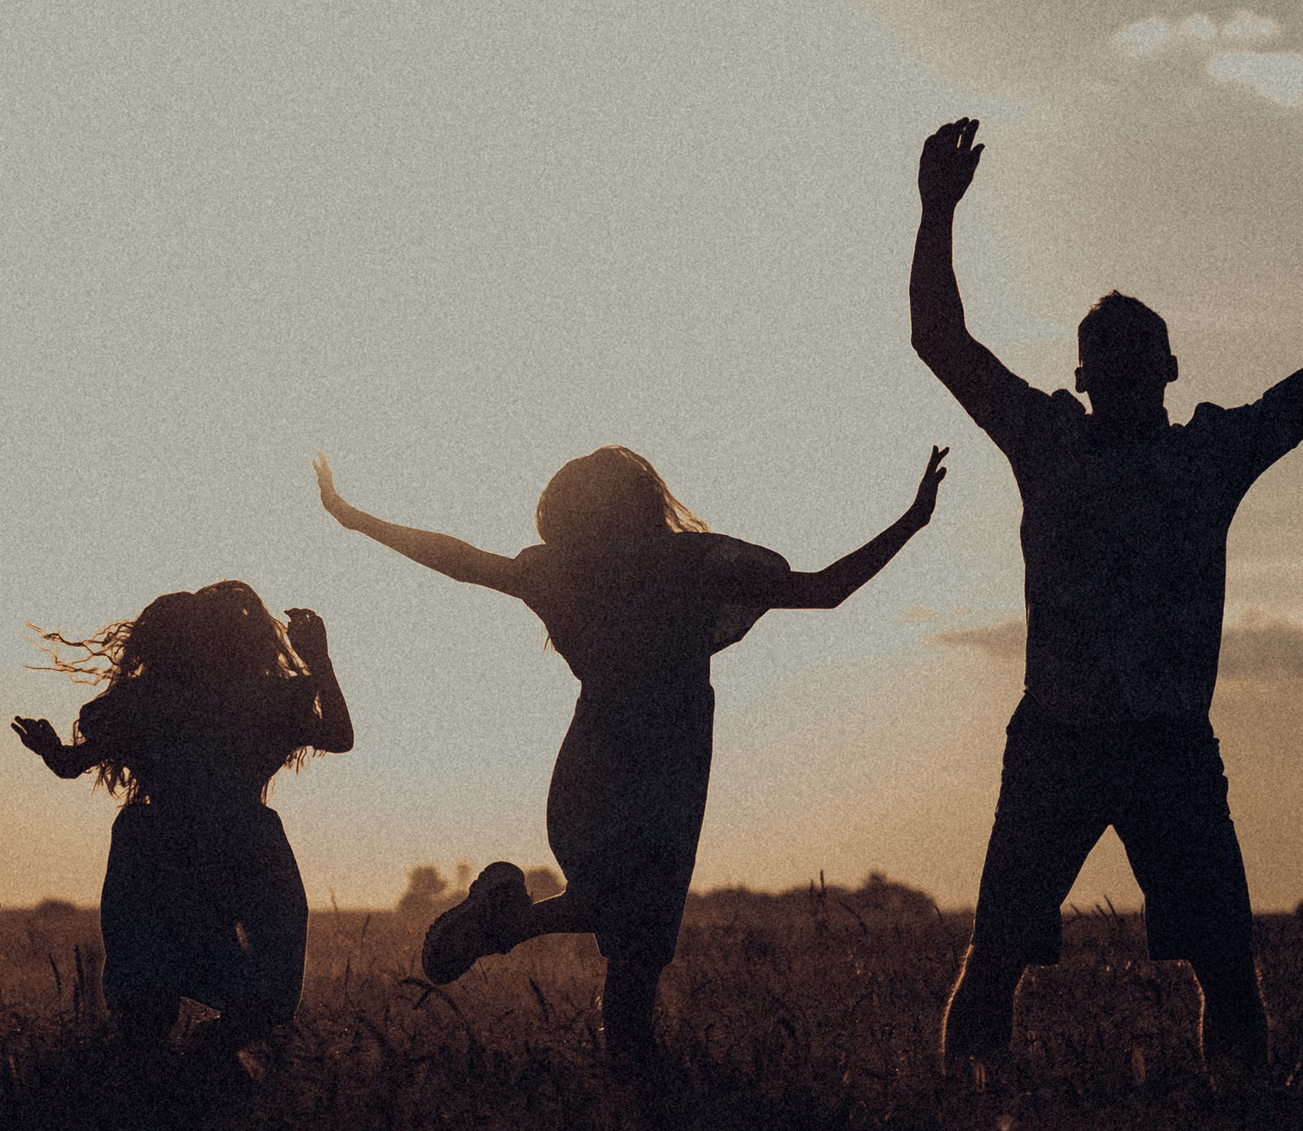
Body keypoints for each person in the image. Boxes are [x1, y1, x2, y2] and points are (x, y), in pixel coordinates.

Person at [909, 119, 1303, 1084]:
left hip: (1168, 740)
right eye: (1106, 355)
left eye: (1142, 354)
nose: (1125, 369)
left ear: (1170, 370)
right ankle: (964, 1118)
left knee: (1225, 968)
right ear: (1083, 375)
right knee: (997, 955)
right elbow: (941, 340)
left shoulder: (1207, 455)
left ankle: (1247, 1123)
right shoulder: (1046, 439)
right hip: (1058, 735)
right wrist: (935, 214)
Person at [314, 443, 947, 1071]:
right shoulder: (695, 567)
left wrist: (353, 516)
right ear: (645, 502)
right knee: (639, 935)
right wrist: (911, 522)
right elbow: (826, 589)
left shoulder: (558, 575)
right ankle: (512, 930)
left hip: (589, 764)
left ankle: (613, 1064)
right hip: (666, 770)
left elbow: (457, 560)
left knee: (631, 942)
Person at [13, 582, 354, 1065]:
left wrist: (52, 751)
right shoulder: (262, 700)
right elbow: (340, 737)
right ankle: (203, 1059)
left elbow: (73, 765)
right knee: (265, 998)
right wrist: (318, 659)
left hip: (161, 843)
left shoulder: (146, 702)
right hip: (242, 841)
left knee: (149, 1004)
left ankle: (181, 1072)